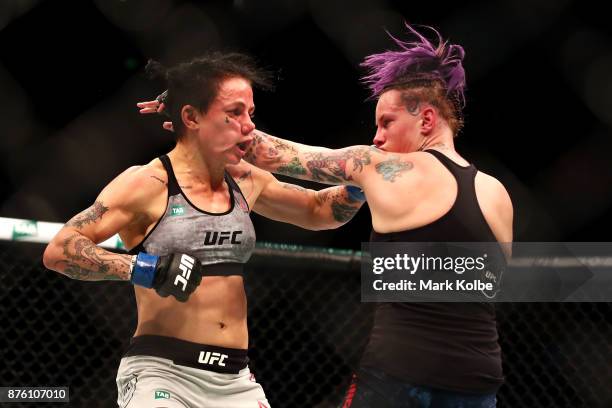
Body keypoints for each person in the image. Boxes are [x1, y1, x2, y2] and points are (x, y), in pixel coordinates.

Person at [143, 24, 513, 407]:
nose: (377, 138)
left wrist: (202, 114)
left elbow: (276, 155)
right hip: (479, 382)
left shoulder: (380, 165)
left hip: (402, 376)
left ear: (426, 120)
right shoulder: (497, 194)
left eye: (387, 122)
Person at [43, 52, 366, 408]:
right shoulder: (150, 183)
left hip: (236, 381)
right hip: (163, 375)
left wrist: (362, 184)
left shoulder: (245, 178)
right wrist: (143, 269)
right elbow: (61, 250)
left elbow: (319, 211)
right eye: (235, 112)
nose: (249, 127)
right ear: (191, 117)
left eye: (250, 114)